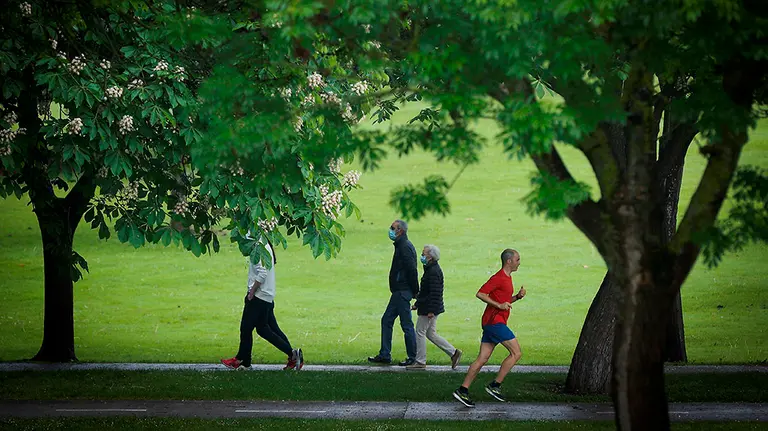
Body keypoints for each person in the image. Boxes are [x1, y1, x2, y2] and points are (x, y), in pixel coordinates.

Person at [452, 249, 527, 407]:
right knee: (516, 352)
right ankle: (495, 385)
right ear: (509, 261)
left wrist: (517, 297)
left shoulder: (508, 278)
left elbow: (504, 301)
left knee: (482, 358)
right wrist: (499, 305)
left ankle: (462, 390)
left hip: (491, 323)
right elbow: (480, 294)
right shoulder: (498, 278)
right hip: (495, 323)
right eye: (517, 260)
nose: (519, 262)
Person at [221, 234, 303, 371]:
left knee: (247, 329)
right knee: (268, 329)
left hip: (259, 297)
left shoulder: (257, 245)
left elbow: (262, 273)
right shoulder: (264, 244)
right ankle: (293, 355)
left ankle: (242, 360)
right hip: (267, 296)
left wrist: (251, 293)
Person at [367, 219, 419, 366]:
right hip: (399, 291)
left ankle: (412, 357)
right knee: (387, 320)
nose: (390, 230)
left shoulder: (405, 247)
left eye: (392, 228)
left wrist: (415, 291)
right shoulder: (401, 245)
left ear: (399, 231)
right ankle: (385, 354)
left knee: (406, 324)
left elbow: (412, 270)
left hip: (402, 292)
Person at [406, 244, 462, 370]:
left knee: (420, 332)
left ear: (430, 257)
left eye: (424, 254)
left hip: (429, 309)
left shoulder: (432, 272)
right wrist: (417, 304)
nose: (422, 256)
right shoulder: (431, 269)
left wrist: (431, 310)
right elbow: (426, 292)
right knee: (431, 334)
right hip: (430, 307)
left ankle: (420, 361)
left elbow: (434, 293)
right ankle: (453, 353)